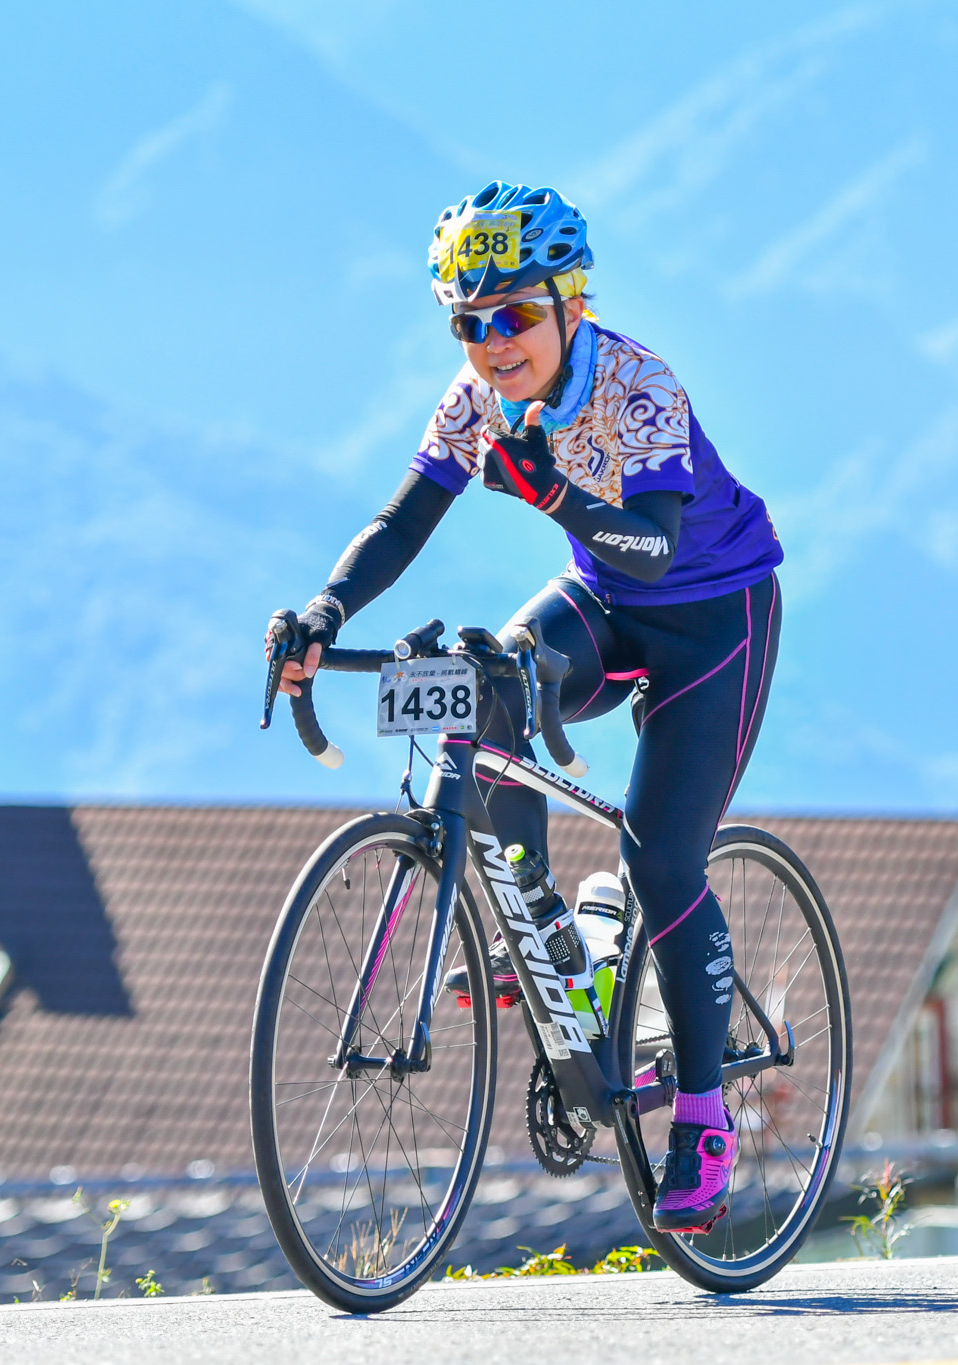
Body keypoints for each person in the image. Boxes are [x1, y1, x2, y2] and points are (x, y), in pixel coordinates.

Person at [276, 182, 782, 1233]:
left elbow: (654, 545)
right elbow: (402, 521)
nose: (491, 343)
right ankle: (545, 931)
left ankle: (702, 1118)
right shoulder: (477, 399)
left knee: (661, 859)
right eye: (468, 324)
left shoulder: (637, 382)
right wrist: (325, 609)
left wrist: (555, 493)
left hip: (713, 618)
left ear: (570, 303)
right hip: (604, 602)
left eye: (512, 314)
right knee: (489, 679)